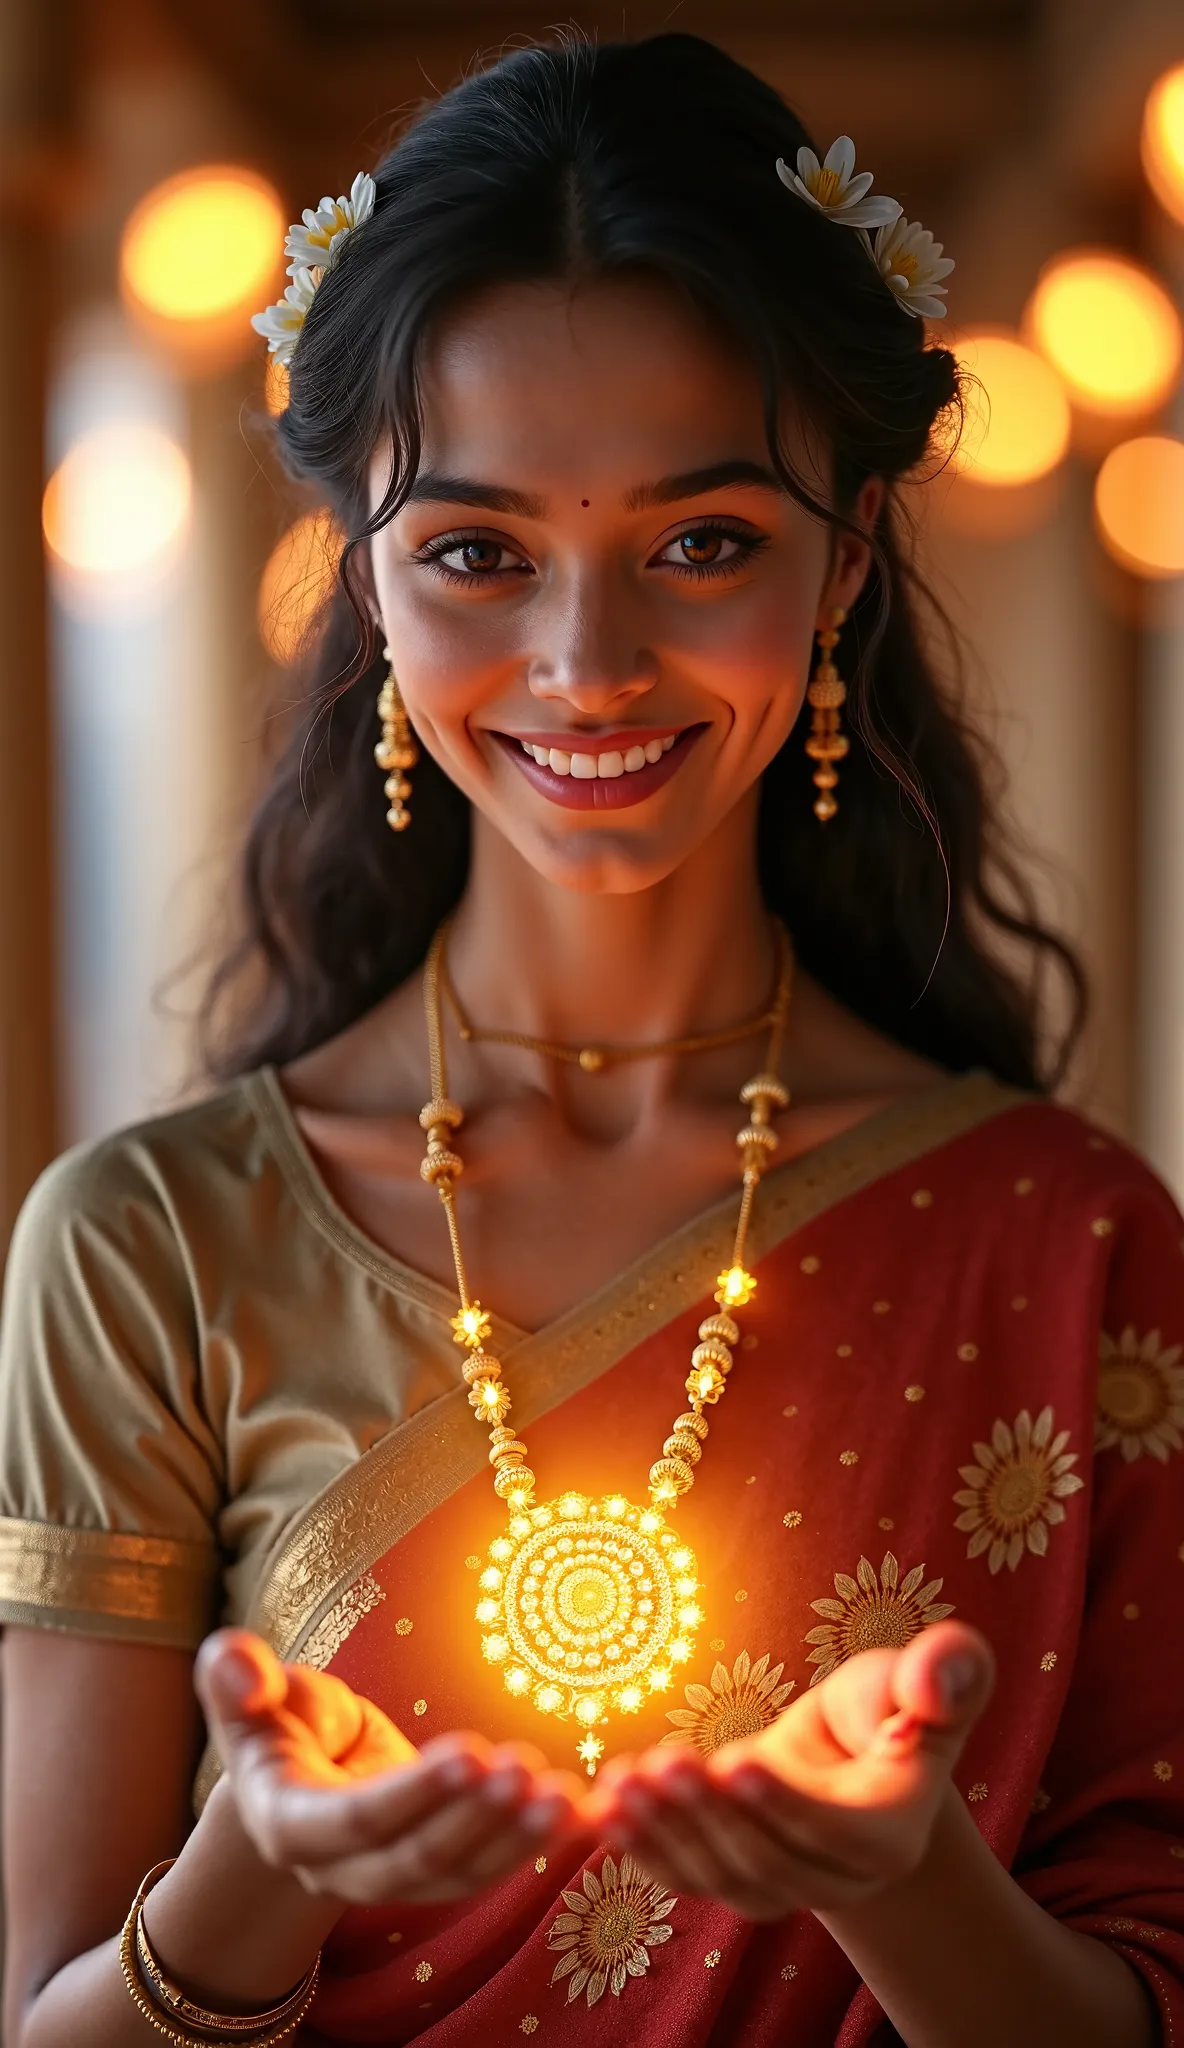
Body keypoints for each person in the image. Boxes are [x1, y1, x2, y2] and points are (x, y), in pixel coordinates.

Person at [1, 29, 1180, 2048]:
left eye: (701, 541)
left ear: (847, 564)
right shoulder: (147, 1247)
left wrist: (905, 1883)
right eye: (477, 552)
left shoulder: (1063, 1241)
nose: (584, 660)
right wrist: (258, 1871)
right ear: (370, 581)